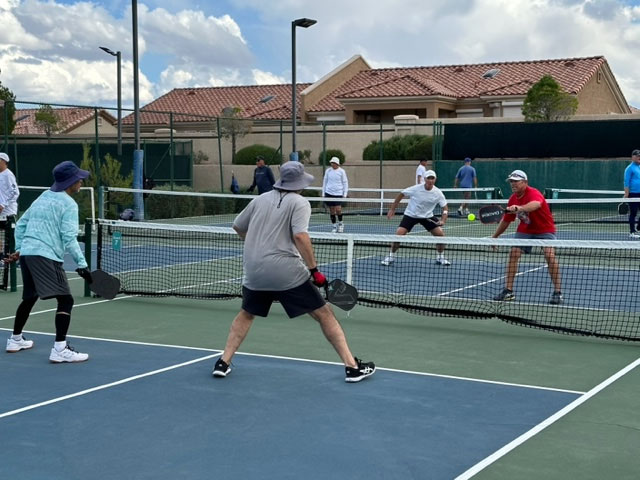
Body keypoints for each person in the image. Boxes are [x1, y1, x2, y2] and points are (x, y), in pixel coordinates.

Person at [212, 161, 375, 383]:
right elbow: (300, 236)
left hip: (254, 269)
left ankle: (223, 362)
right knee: (323, 314)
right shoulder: (300, 202)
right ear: (299, 183)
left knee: (247, 314)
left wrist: (258, 247)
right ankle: (352, 366)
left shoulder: (259, 199)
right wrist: (314, 270)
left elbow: (238, 226)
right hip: (285, 271)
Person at [4, 161, 93, 362]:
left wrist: (20, 248)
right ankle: (60, 349)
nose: (81, 181)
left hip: (28, 255)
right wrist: (83, 264)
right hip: (46, 256)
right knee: (66, 299)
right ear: (71, 181)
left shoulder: (43, 196)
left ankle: (15, 339)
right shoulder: (69, 204)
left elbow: (21, 224)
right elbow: (69, 238)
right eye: (78, 178)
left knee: (30, 297)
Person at [492, 169, 563, 305]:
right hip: (526, 229)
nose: (513, 184)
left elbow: (535, 205)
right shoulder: (512, 199)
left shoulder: (534, 193)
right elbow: (506, 220)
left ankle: (558, 292)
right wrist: (495, 236)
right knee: (514, 253)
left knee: (550, 255)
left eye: (516, 181)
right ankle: (508, 291)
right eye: (511, 182)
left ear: (525, 182)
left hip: (545, 229)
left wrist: (519, 208)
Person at [381, 170, 451, 266]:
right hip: (411, 215)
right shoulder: (416, 189)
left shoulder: (438, 193)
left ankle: (440, 257)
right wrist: (392, 209)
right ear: (425, 179)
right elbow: (401, 194)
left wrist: (443, 220)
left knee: (441, 236)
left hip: (427, 217)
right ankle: (391, 256)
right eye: (428, 178)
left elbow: (445, 208)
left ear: (435, 179)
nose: (430, 180)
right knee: (398, 235)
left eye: (432, 178)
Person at [322, 156, 349, 233]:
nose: (332, 164)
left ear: (337, 164)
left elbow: (345, 183)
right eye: (331, 163)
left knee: (338, 209)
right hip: (329, 193)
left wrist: (345, 194)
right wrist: (323, 193)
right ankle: (334, 226)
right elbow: (325, 182)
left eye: (333, 163)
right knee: (332, 210)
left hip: (338, 193)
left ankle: (341, 224)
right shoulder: (328, 171)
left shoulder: (342, 172)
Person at [0, 152, 19, 256]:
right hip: (0, 213)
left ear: (4, 162)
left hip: (8, 214)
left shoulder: (8, 174)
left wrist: (3, 205)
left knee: (9, 239)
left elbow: (15, 192)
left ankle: (11, 257)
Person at [623, 149, 640, 238]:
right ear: (633, 157)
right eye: (637, 156)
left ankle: (638, 227)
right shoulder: (629, 168)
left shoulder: (639, 167)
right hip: (633, 194)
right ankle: (632, 232)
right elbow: (626, 182)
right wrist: (626, 193)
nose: (639, 157)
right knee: (633, 213)